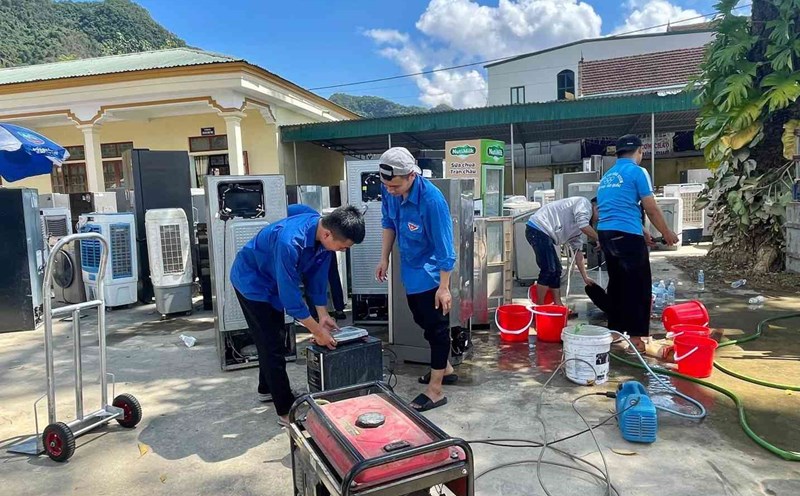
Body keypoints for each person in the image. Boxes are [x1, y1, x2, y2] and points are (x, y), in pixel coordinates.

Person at [231, 205, 365, 426]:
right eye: (343, 247)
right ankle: (285, 411)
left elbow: (317, 278)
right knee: (271, 345)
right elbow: (291, 297)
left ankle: (266, 388)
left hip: (274, 281)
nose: (343, 251)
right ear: (327, 234)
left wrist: (322, 315)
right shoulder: (289, 242)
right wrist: (317, 331)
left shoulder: (323, 236)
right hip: (253, 282)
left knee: (274, 336)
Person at [375, 147, 455, 412]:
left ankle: (435, 390)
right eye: (386, 185)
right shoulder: (391, 193)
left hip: (431, 273)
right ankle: (446, 368)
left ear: (411, 175)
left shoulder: (432, 200)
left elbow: (445, 247)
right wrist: (384, 257)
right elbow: (389, 223)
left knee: (436, 328)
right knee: (421, 318)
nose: (390, 190)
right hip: (410, 269)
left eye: (395, 185)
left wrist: (444, 288)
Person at [596, 134, 679, 352]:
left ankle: (614, 332)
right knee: (639, 286)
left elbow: (616, 208)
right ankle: (637, 338)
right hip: (626, 235)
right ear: (640, 151)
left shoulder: (608, 176)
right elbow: (650, 207)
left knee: (617, 283)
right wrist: (666, 232)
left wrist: (642, 232)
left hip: (606, 234)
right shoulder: (638, 171)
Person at [525, 196, 599, 311]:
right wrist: (600, 239)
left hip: (543, 232)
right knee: (549, 269)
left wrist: (585, 277)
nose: (599, 220)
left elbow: (577, 253)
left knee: (557, 270)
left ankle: (557, 304)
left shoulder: (578, 229)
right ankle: (539, 307)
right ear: (596, 208)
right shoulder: (584, 204)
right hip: (538, 228)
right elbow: (584, 226)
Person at [288, 203, 348, 321]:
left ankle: (316, 314)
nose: (344, 250)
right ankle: (337, 309)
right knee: (328, 275)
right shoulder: (300, 223)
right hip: (320, 240)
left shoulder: (288, 214)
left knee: (317, 277)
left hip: (319, 241)